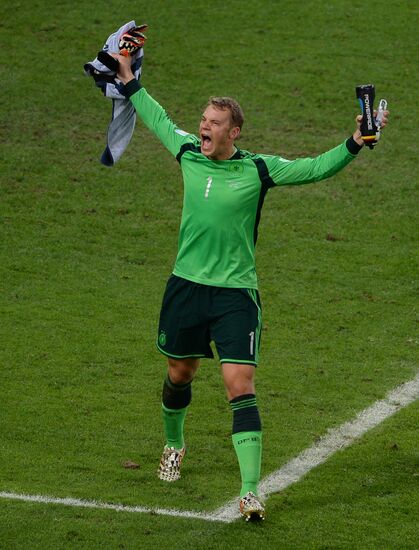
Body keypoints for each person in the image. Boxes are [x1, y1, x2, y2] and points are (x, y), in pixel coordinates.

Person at [111, 51, 388, 521]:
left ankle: (250, 491)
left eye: (213, 122)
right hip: (186, 288)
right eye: (203, 119)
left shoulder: (259, 170)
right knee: (180, 375)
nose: (203, 127)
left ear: (233, 132)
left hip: (236, 295)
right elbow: (156, 116)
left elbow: (314, 167)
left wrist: (354, 142)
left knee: (240, 385)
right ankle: (174, 444)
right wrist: (129, 78)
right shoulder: (185, 152)